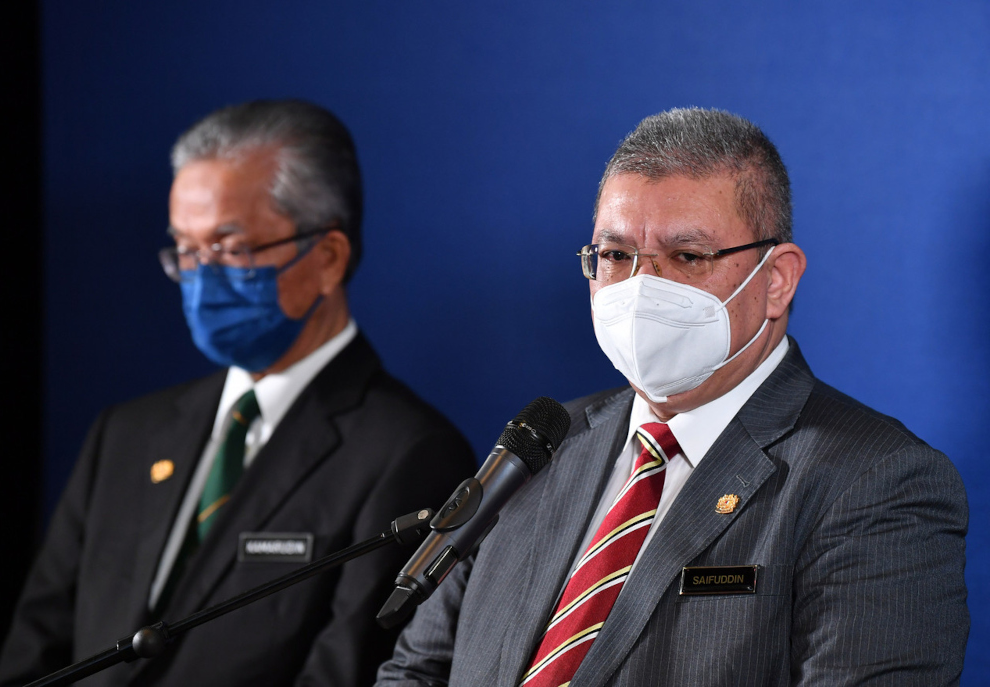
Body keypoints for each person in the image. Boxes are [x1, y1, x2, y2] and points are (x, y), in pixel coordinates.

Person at [375, 108, 969, 686]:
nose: (641, 289)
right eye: (614, 255)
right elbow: (417, 671)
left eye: (686, 257)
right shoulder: (543, 444)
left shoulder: (877, 481)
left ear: (776, 280)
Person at [0, 99, 475, 687]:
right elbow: (36, 652)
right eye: (188, 251)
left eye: (229, 248)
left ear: (327, 257)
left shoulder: (410, 453)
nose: (202, 278)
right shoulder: (126, 432)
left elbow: (349, 670)